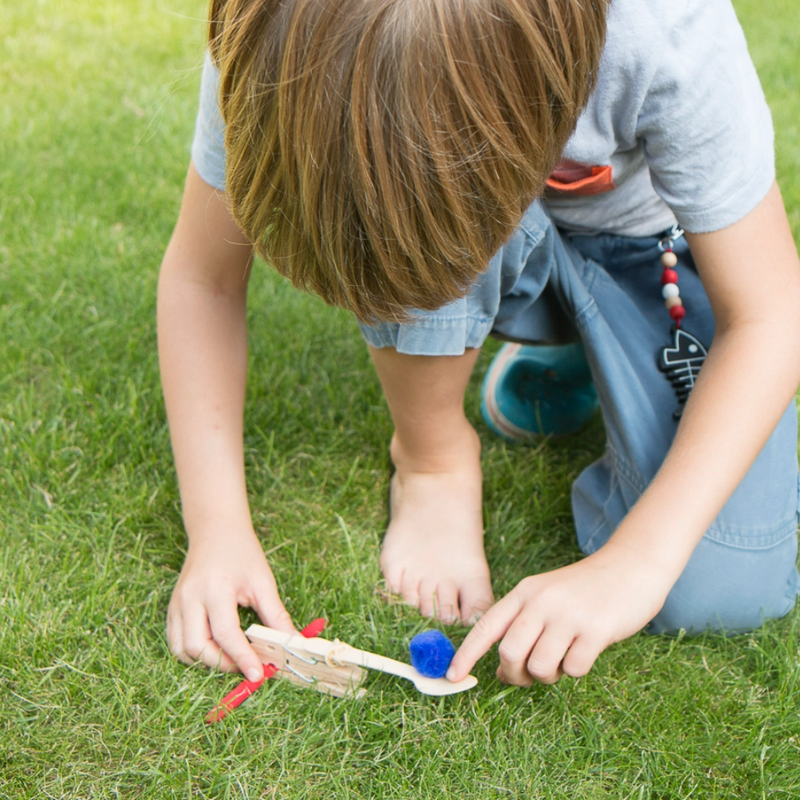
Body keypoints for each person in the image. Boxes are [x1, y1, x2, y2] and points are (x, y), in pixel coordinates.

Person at [158, 0, 800, 688]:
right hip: (486, 243)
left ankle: (594, 347)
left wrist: (637, 563)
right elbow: (204, 279)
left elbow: (769, 311)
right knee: (411, 195)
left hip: (650, 261)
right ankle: (432, 461)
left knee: (721, 584)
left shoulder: (664, 23)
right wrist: (216, 529)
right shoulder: (280, 37)